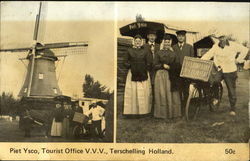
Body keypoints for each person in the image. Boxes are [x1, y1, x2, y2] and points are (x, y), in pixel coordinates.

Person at [201, 35, 249, 116]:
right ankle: (216, 98)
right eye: (220, 38)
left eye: (223, 38)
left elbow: (245, 49)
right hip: (219, 70)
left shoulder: (233, 45)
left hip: (230, 70)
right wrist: (201, 60)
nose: (222, 39)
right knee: (214, 81)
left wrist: (238, 60)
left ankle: (232, 108)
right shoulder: (215, 46)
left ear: (226, 38)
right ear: (218, 39)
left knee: (231, 89)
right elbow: (209, 54)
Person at [123, 34, 152, 116]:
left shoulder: (145, 51)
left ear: (141, 42)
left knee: (143, 92)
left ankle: (144, 111)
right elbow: (125, 62)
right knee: (133, 92)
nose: (137, 43)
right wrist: (131, 66)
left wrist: (144, 67)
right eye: (136, 41)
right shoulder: (129, 51)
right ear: (134, 42)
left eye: (139, 41)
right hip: (133, 73)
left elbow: (149, 62)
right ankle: (132, 112)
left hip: (143, 73)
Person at [154, 34, 182, 119]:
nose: (167, 44)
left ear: (170, 43)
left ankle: (173, 113)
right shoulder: (158, 53)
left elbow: (178, 65)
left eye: (168, 42)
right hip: (161, 75)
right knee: (162, 93)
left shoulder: (174, 54)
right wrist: (162, 65)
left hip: (171, 75)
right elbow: (154, 65)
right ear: (163, 43)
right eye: (165, 42)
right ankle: (162, 114)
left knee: (172, 93)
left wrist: (171, 67)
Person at [172, 30, 194, 115]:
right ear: (177, 37)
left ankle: (186, 109)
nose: (181, 37)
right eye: (179, 36)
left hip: (186, 74)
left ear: (185, 37)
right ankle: (178, 109)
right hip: (176, 73)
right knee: (178, 91)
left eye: (182, 36)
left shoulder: (189, 47)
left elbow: (192, 60)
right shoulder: (173, 47)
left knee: (186, 91)